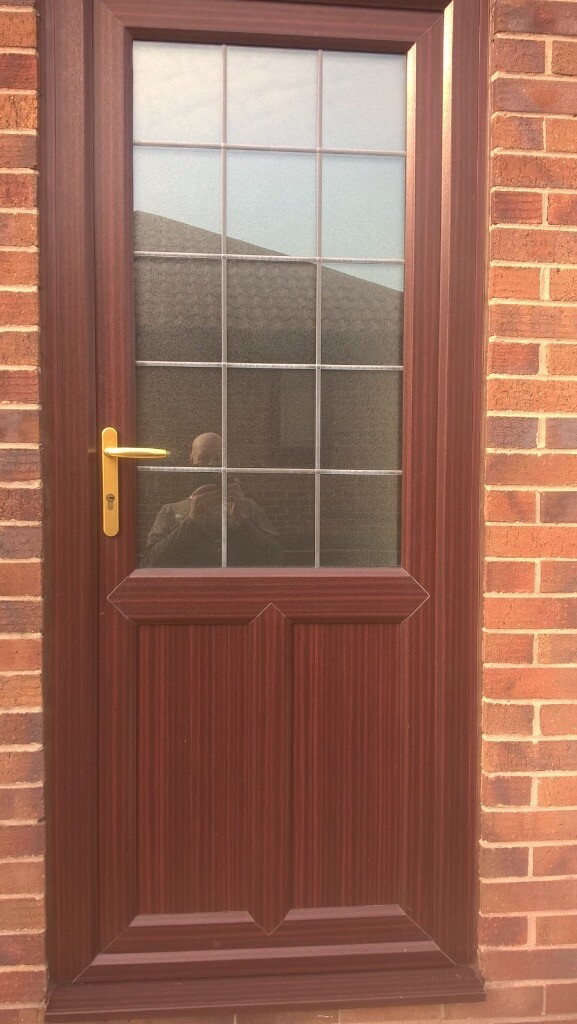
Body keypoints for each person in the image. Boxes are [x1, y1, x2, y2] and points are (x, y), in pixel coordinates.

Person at [142, 432, 282, 567]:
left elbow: (275, 557)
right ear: (192, 460)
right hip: (188, 588)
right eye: (203, 458)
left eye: (218, 459)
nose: (211, 465)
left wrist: (241, 519)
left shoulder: (248, 507)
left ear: (225, 461)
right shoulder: (170, 511)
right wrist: (192, 520)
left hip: (238, 587)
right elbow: (152, 561)